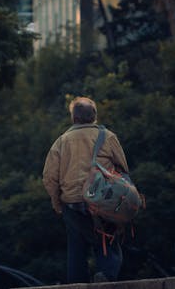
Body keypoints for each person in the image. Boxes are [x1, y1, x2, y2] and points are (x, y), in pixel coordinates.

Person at [42, 96, 129, 283]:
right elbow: (123, 169)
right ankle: (106, 275)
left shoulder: (61, 141)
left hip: (72, 203)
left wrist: (58, 203)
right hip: (102, 200)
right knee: (107, 241)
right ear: (94, 116)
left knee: (76, 246)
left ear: (73, 118)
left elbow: (49, 177)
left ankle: (76, 284)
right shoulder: (109, 137)